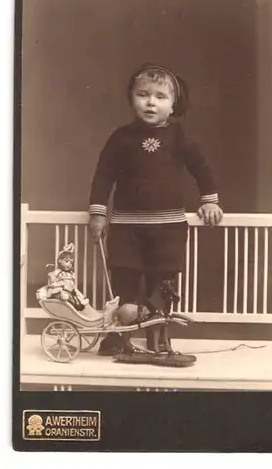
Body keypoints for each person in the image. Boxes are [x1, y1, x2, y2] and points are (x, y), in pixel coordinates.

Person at [88, 63, 223, 355]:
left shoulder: (179, 137)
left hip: (168, 227)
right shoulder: (120, 138)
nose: (151, 102)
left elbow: (201, 169)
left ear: (174, 104)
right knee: (124, 279)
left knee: (162, 282)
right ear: (131, 98)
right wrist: (98, 212)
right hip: (127, 226)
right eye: (143, 94)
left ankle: (158, 335)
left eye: (160, 96)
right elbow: (103, 175)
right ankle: (117, 335)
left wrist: (209, 200)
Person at [46, 243, 89, 311]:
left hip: (69, 291)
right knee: (61, 294)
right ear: (60, 261)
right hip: (61, 290)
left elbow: (72, 284)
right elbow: (51, 277)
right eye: (66, 261)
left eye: (71, 263)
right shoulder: (58, 272)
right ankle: (62, 297)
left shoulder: (70, 273)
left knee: (76, 295)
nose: (69, 264)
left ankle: (81, 301)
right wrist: (54, 281)